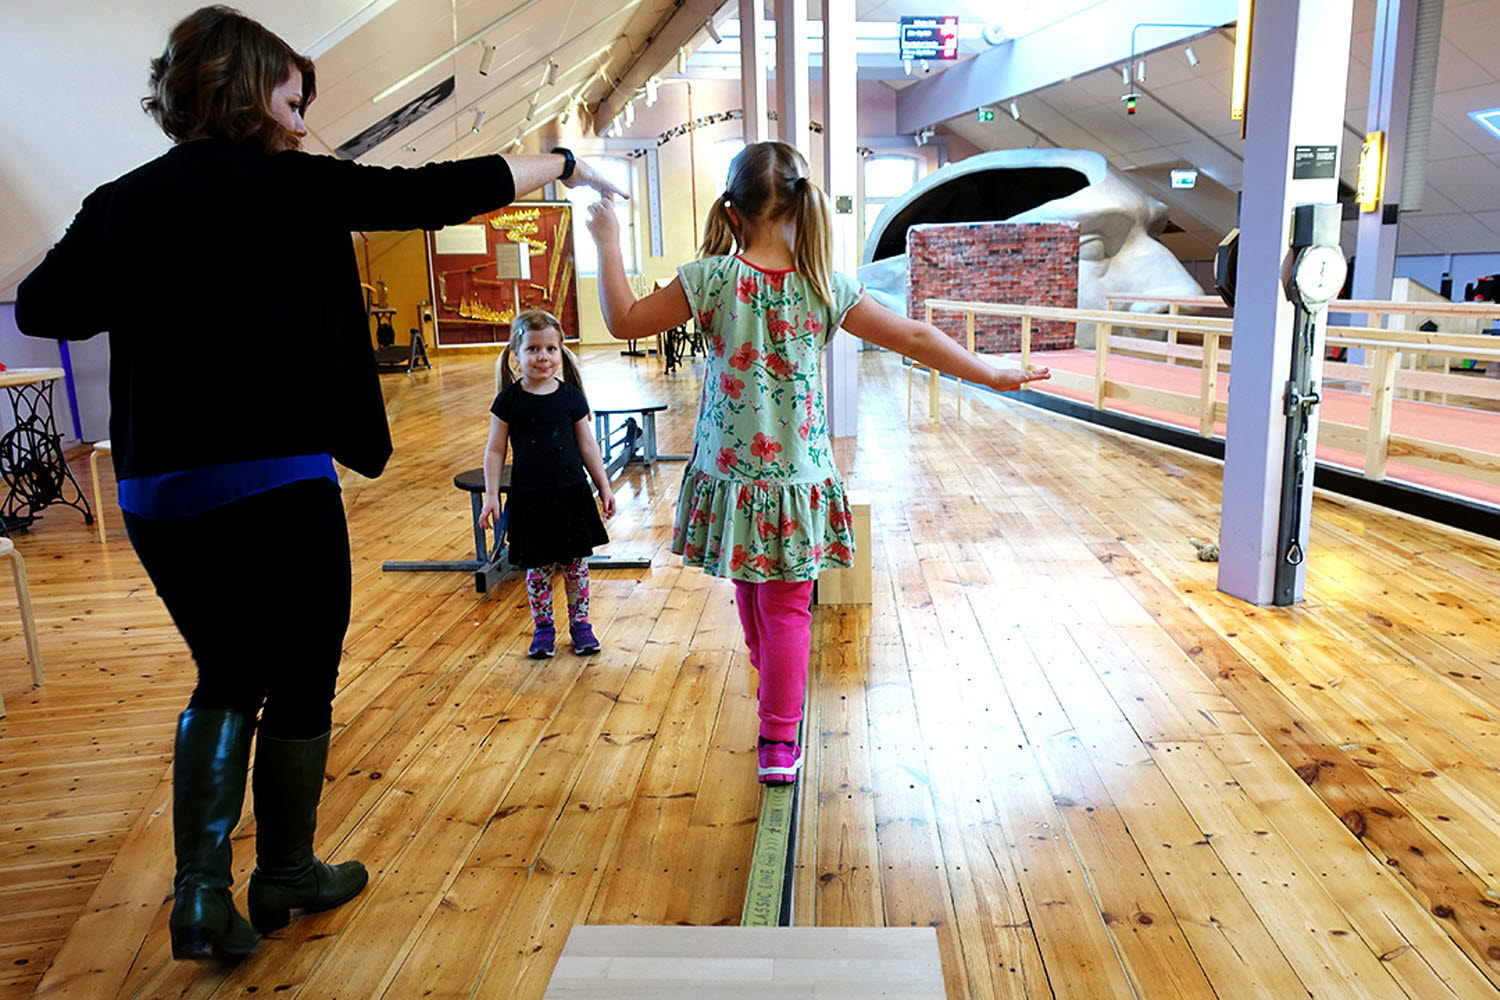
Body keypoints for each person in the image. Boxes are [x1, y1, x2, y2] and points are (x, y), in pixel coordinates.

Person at [14, 6, 625, 962]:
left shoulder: (121, 201)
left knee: (226, 668)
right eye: (295, 102)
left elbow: (51, 302)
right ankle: (286, 871)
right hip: (273, 480)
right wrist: (563, 164)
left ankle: (203, 894)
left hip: (156, 495)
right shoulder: (293, 186)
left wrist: (147, 270)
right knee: (301, 670)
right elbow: (438, 191)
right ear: (254, 93)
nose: (305, 123)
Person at [586, 141, 1050, 784]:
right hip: (793, 477)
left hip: (736, 474)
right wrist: (989, 372)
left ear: (731, 208)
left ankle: (778, 730)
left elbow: (622, 319)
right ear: (803, 207)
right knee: (774, 605)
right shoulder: (821, 287)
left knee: (762, 602)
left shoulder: (713, 278)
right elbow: (913, 335)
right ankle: (779, 709)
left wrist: (608, 238)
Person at [478, 311, 615, 658]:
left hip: (571, 495)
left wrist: (604, 486)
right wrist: (491, 495)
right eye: (534, 349)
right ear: (517, 353)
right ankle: (543, 629)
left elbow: (587, 445)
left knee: (575, 566)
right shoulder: (509, 400)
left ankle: (581, 626)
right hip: (530, 499)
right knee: (537, 570)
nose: (543, 357)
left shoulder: (570, 397)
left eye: (551, 349)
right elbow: (495, 450)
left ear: (560, 352)